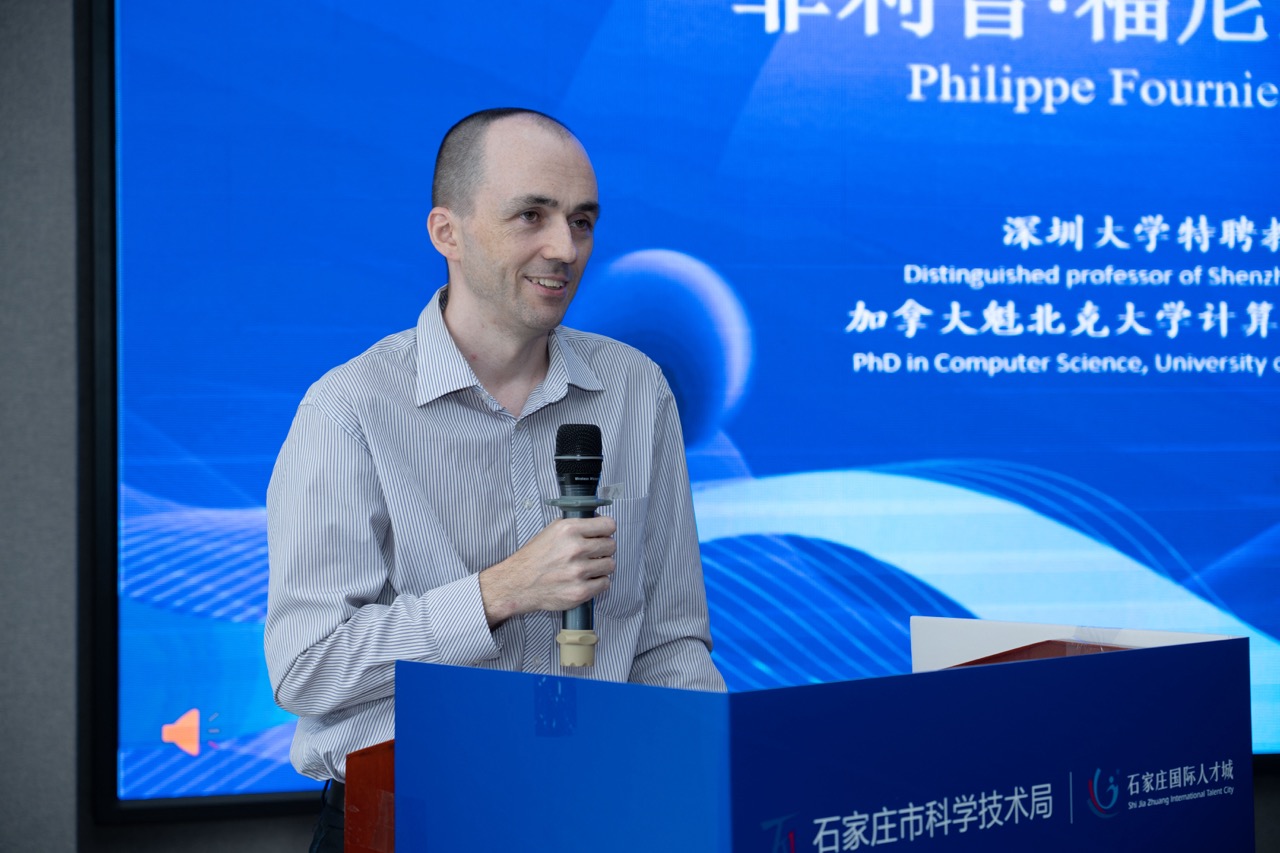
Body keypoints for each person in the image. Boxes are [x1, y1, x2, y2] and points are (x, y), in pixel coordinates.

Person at [264, 108, 725, 852]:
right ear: (447, 232)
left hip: (598, 813)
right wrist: (499, 593)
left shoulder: (637, 392)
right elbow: (308, 666)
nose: (565, 248)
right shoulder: (349, 410)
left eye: (582, 221)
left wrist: (704, 791)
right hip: (409, 818)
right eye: (531, 216)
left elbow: (671, 643)